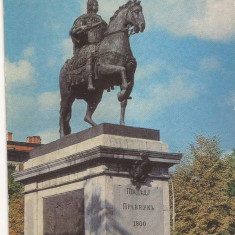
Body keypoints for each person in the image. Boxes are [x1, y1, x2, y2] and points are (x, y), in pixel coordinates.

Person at [70, 0, 107, 90]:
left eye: (97, 5)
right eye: (95, 4)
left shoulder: (101, 20)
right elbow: (73, 31)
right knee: (90, 53)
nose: (97, 6)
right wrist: (80, 28)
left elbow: (107, 31)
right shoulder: (82, 18)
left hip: (100, 45)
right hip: (87, 46)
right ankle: (90, 81)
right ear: (90, 6)